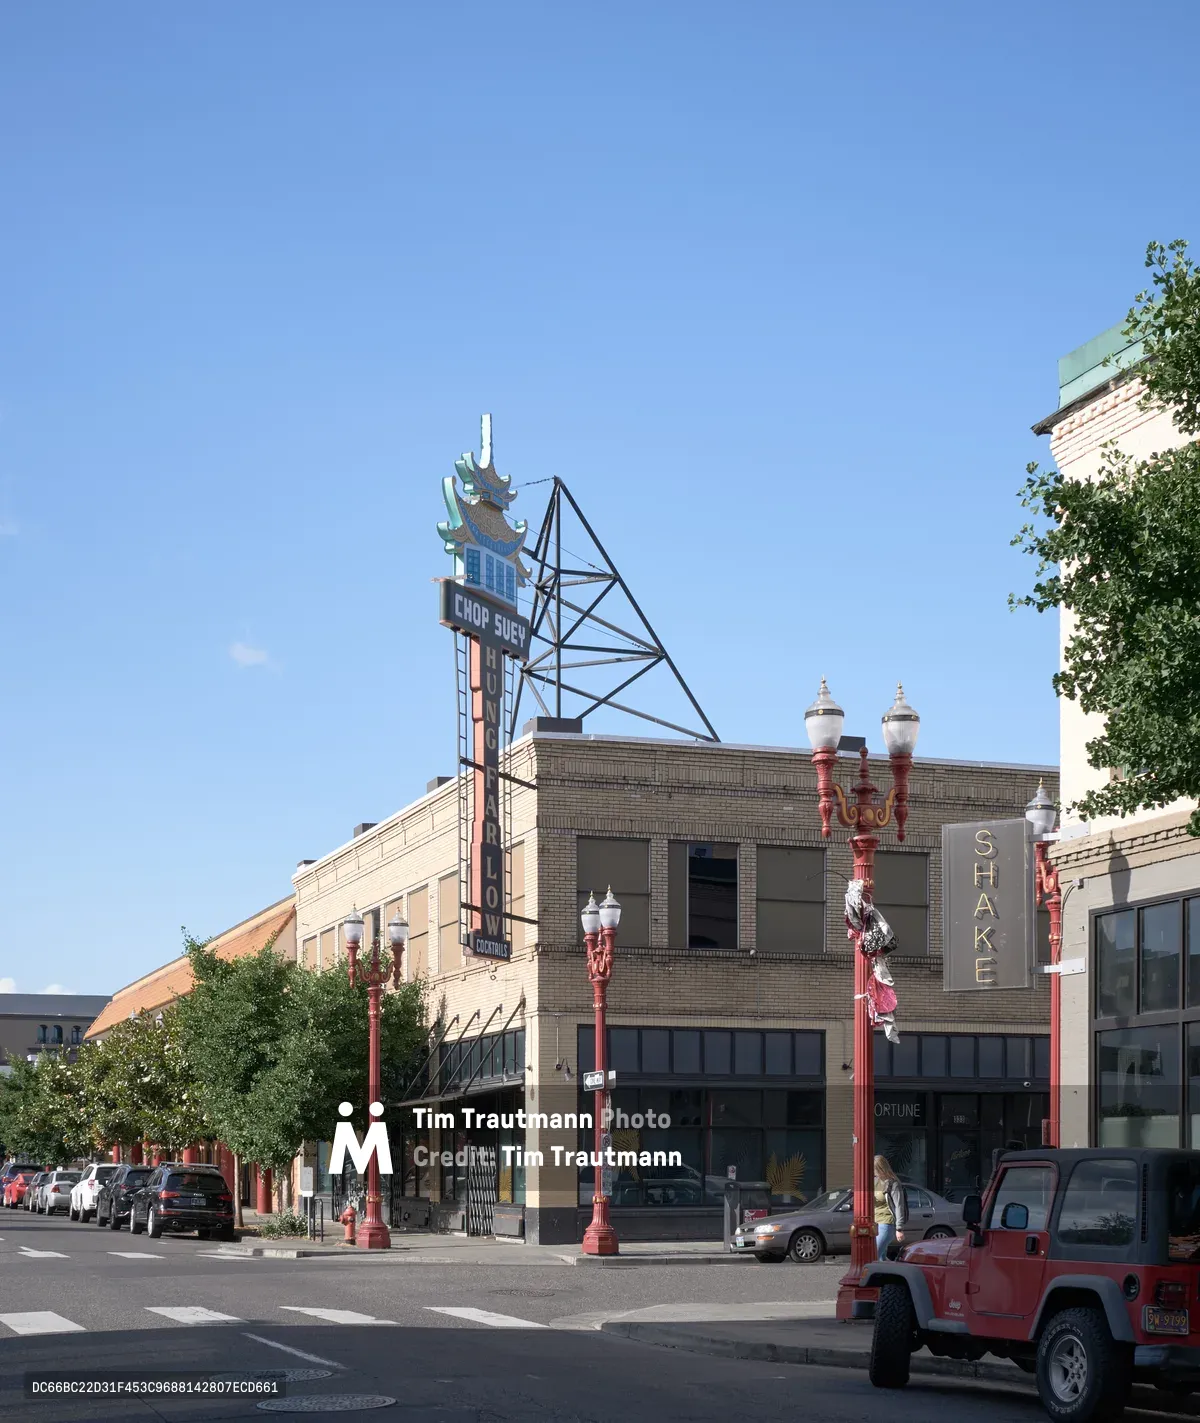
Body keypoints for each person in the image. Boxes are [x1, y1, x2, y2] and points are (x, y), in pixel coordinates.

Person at [874, 1154, 908, 1259]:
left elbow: (899, 1206)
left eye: (875, 1170)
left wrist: (899, 1228)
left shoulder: (893, 1184)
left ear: (881, 1168)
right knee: (881, 1258)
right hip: (875, 1223)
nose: (874, 1173)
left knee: (874, 1255)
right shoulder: (875, 1181)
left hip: (887, 1223)